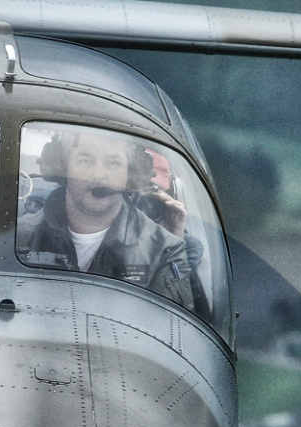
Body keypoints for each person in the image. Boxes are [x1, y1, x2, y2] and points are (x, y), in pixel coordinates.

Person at [19, 128, 195, 310]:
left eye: (113, 163)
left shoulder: (164, 251)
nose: (99, 174)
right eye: (85, 161)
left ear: (131, 173)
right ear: (63, 167)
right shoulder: (21, 237)